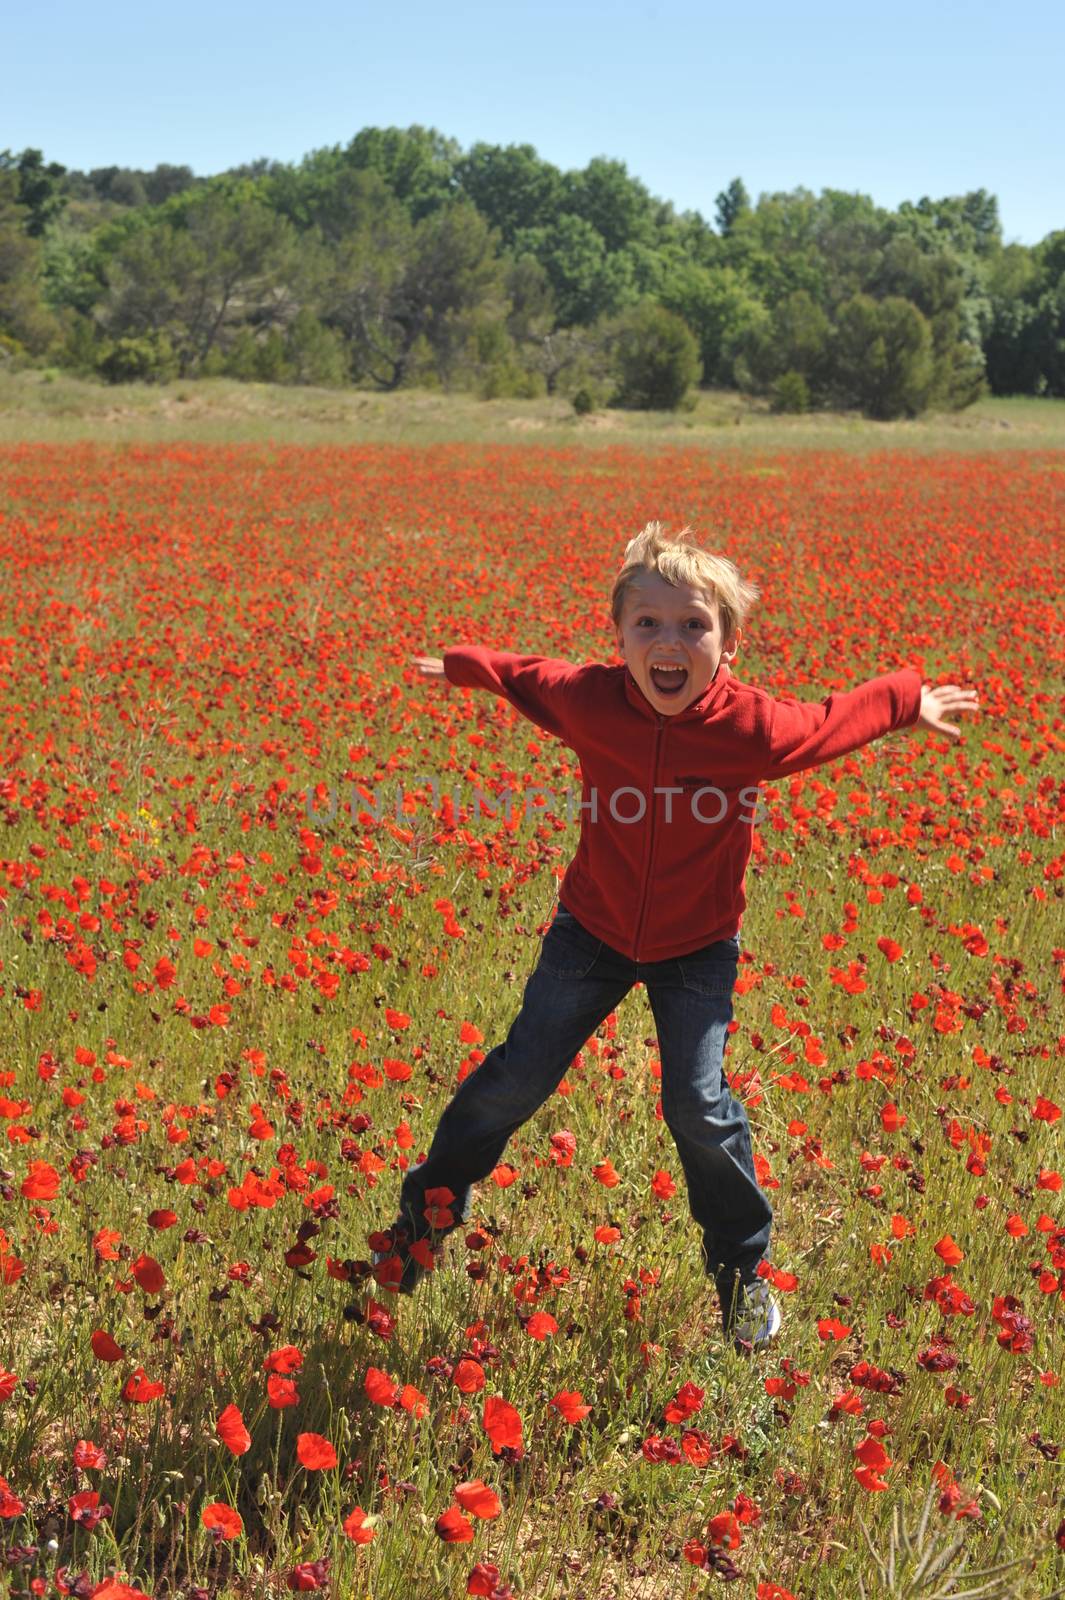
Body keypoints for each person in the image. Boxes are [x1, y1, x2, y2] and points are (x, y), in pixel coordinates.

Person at [370, 523, 978, 1351]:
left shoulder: (752, 729)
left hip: (696, 948)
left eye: (694, 625)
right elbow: (528, 678)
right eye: (647, 624)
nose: (669, 641)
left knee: (695, 1103)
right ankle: (426, 1212)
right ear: (617, 638)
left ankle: (740, 1270)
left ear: (727, 646)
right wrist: (471, 668)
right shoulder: (590, 700)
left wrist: (910, 701)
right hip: (591, 932)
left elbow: (836, 718)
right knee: (516, 1078)